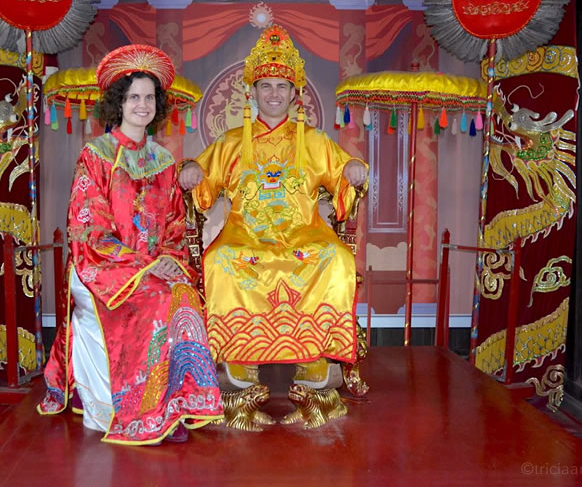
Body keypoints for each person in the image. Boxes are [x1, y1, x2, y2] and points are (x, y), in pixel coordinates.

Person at [179, 25, 367, 426]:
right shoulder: (231, 142)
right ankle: (239, 358)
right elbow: (204, 177)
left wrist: (352, 170)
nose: (275, 94)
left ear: (295, 93)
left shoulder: (314, 140)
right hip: (245, 231)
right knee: (223, 259)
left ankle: (315, 360)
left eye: (283, 86)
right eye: (267, 86)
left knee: (333, 257)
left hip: (304, 231)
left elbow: (341, 174)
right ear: (253, 91)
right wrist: (193, 171)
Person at [38, 44, 223, 445]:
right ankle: (144, 413)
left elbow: (175, 226)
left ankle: (177, 406)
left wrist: (171, 262)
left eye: (149, 97)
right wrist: (145, 265)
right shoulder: (97, 156)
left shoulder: (164, 161)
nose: (143, 105)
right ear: (118, 103)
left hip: (155, 266)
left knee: (185, 297)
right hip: (105, 268)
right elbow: (89, 230)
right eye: (133, 97)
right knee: (158, 302)